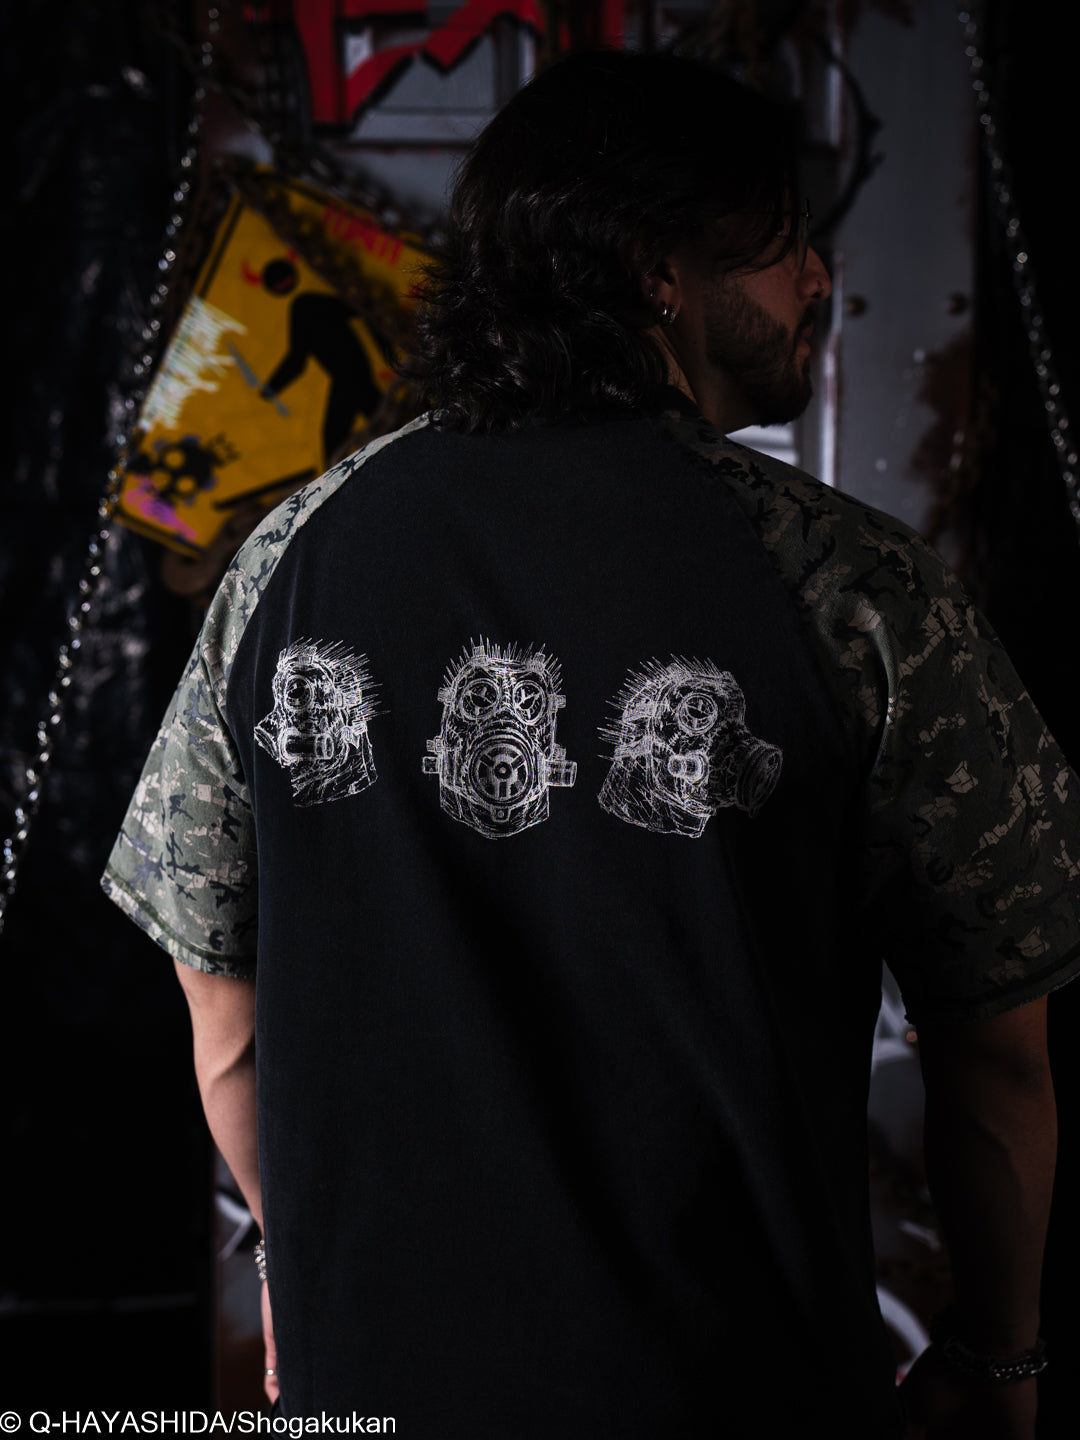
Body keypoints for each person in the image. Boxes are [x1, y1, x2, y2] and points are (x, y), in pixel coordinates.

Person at [103, 49, 1079, 1438]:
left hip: (372, 1389)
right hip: (737, 1398)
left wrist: (302, 1272)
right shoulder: (851, 588)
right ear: (654, 269)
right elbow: (1000, 1061)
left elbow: (224, 1020)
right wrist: (1000, 1359)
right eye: (782, 243)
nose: (817, 280)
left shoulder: (290, 561)